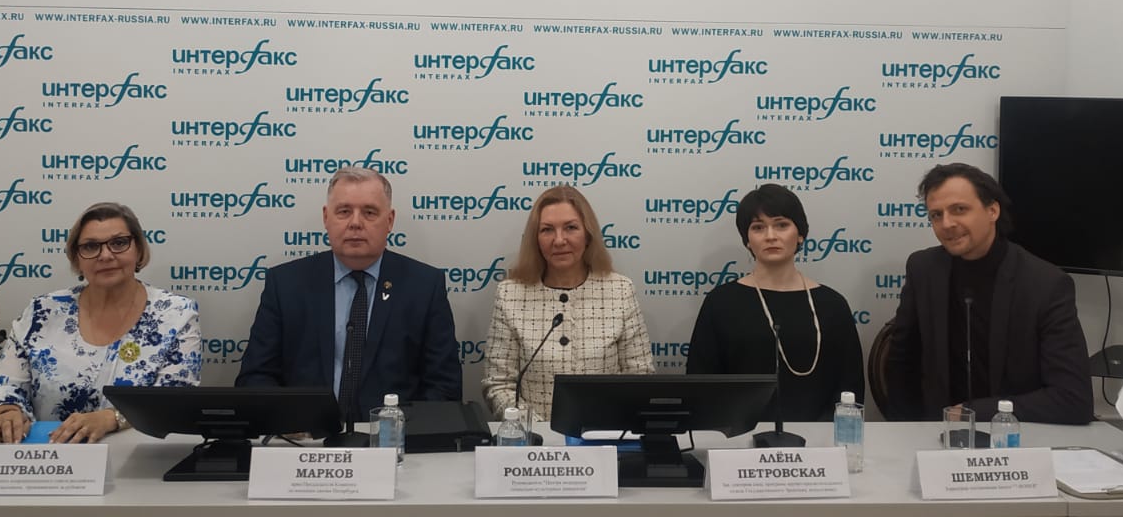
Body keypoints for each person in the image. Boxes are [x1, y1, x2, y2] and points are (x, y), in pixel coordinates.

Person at [236, 166, 462, 420]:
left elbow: (444, 386)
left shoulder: (424, 286)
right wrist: (290, 423)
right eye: (344, 211)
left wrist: (399, 431)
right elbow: (255, 378)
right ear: (326, 218)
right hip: (304, 436)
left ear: (389, 221)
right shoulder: (286, 284)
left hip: (393, 437)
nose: (355, 223)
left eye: (369, 212)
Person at [883, 162, 1092, 424]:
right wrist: (907, 433)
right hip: (935, 434)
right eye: (936, 215)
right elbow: (902, 364)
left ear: (992, 210)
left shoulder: (1046, 284)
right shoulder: (923, 269)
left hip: (1016, 436)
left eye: (959, 209)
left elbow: (1074, 399)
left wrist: (976, 413)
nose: (946, 223)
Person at [0, 202, 201, 443]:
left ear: (138, 250)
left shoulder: (177, 314)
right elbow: (4, 386)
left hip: (137, 455)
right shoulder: (42, 312)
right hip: (48, 454)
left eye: (119, 243)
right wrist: (6, 411)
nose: (105, 255)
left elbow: (174, 401)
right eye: (90, 246)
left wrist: (113, 418)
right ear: (77, 258)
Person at [686, 184, 865, 421]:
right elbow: (701, 384)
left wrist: (821, 436)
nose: (770, 236)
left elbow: (850, 385)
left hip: (820, 438)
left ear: (800, 234)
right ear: (747, 240)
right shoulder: (720, 303)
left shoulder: (833, 305)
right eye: (758, 227)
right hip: (737, 436)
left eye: (781, 225)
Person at [481, 186, 654, 421]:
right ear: (535, 239)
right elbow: (498, 385)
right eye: (547, 230)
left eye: (571, 228)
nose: (559, 240)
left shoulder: (620, 290)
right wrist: (536, 429)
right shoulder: (510, 294)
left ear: (588, 235)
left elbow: (640, 377)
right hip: (534, 437)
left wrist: (605, 427)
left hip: (604, 433)